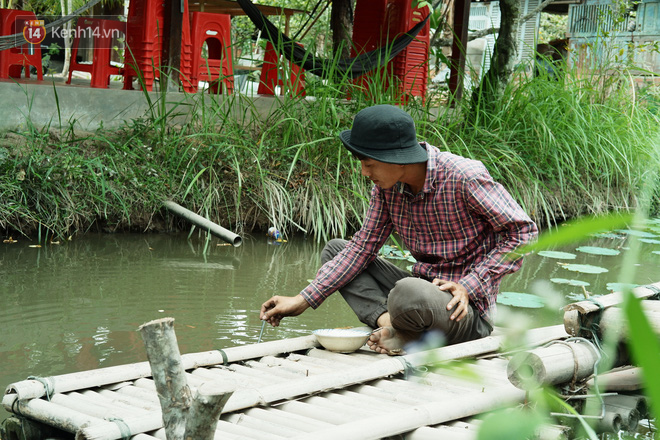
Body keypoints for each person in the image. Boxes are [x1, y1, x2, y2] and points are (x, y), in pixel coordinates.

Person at [260, 104, 538, 354]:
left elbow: (524, 232)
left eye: (369, 164)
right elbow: (361, 248)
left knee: (408, 292)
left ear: (397, 158)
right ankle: (392, 326)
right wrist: (303, 300)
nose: (364, 173)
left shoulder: (464, 176)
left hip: (463, 312)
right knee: (336, 251)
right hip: (419, 298)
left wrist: (469, 285)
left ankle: (405, 330)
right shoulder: (386, 190)